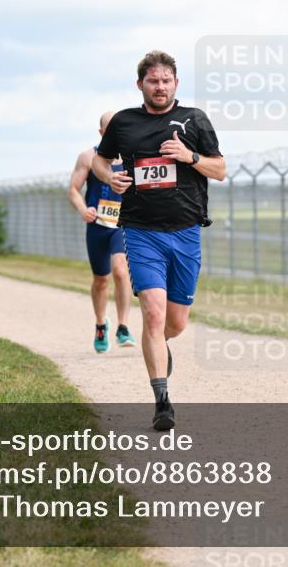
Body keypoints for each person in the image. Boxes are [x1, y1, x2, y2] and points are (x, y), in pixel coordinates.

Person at [92, 50, 226, 430]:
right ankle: (162, 401)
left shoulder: (194, 120)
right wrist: (109, 177)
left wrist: (189, 156)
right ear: (141, 85)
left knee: (175, 323)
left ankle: (159, 344)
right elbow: (101, 160)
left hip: (185, 232)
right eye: (153, 80)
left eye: (166, 80)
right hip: (141, 232)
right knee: (153, 313)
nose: (160, 86)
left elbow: (220, 169)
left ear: (176, 83)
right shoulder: (124, 122)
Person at [68, 111, 136, 353]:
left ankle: (123, 327)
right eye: (111, 128)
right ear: (101, 132)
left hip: (121, 224)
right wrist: (83, 209)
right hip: (97, 225)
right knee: (101, 280)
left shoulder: (132, 156)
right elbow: (73, 189)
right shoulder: (88, 157)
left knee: (121, 271)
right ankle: (100, 324)